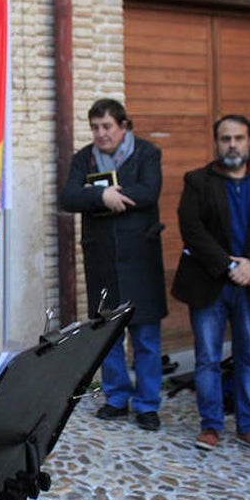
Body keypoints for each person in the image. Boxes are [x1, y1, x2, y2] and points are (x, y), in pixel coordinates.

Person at [171, 115, 250, 453]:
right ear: (216, 142)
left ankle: (249, 427)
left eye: (238, 138)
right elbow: (192, 229)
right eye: (225, 139)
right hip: (210, 281)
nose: (232, 145)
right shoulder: (197, 181)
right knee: (208, 357)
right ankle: (210, 425)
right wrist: (228, 266)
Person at [59, 98, 167, 431]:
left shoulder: (147, 153)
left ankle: (147, 404)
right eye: (95, 127)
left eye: (107, 126)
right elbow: (69, 196)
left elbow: (149, 191)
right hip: (102, 260)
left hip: (141, 260)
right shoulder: (84, 158)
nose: (101, 134)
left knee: (146, 335)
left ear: (123, 126)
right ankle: (116, 398)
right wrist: (100, 197)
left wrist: (112, 194)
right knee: (108, 334)